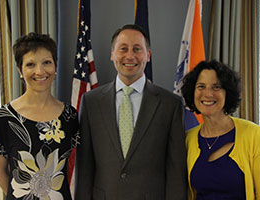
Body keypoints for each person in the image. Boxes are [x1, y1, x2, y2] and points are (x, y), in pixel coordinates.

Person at [75, 24, 187, 200]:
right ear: (112, 55)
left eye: (137, 49)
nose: (130, 56)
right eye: (123, 49)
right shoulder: (91, 102)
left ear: (148, 55)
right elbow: (85, 167)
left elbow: (176, 171)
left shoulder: (170, 104)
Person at [0, 32, 80, 199]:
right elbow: (0, 173)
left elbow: (77, 166)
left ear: (55, 66)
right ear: (19, 70)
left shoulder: (70, 116)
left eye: (47, 63)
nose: (39, 71)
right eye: (30, 64)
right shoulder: (4, 118)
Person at [182, 60, 260, 199]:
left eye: (216, 87)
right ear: (192, 92)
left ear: (228, 93)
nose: (208, 94)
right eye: (201, 86)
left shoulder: (253, 135)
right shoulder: (187, 140)